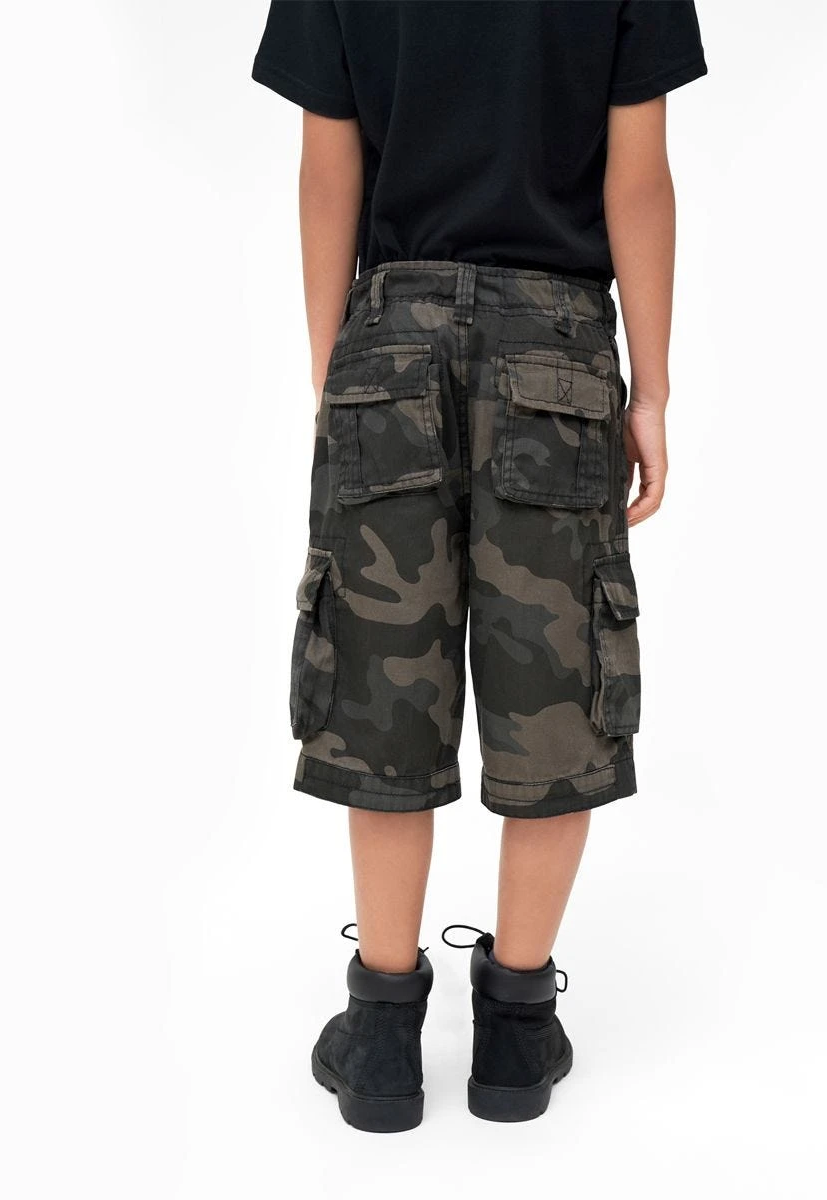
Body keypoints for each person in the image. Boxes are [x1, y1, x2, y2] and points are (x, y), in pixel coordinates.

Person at [252, 0, 706, 1132]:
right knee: (557, 699)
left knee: (382, 693)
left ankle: (381, 1040)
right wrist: (650, 391)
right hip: (557, 348)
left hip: (390, 335)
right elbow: (638, 178)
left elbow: (326, 166)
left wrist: (339, 372)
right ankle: (514, 1029)